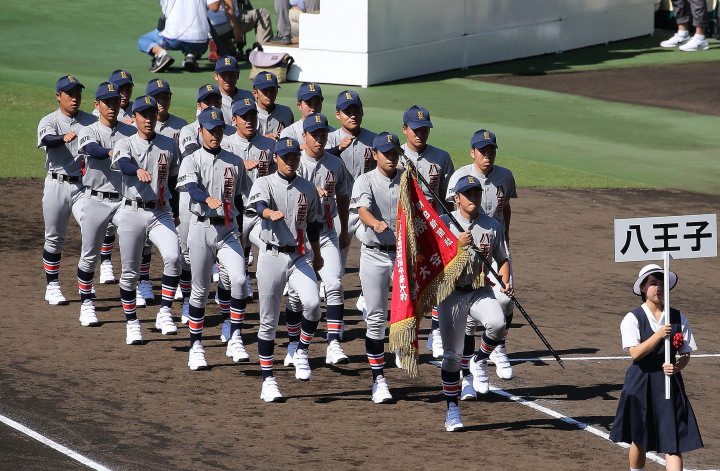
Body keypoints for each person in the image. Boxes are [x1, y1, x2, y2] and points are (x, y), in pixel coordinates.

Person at [247, 137, 323, 402]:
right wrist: (268, 213)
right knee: (268, 321)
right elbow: (258, 206)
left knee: (313, 304)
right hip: (271, 256)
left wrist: (318, 254)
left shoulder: (308, 188)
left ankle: (301, 350)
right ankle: (268, 380)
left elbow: (313, 224)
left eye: (294, 157)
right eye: (286, 157)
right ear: (276, 158)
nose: (291, 161)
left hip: (300, 256)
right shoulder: (264, 182)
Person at [436, 175, 513, 431]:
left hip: (479, 290)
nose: (473, 198)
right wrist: (456, 246)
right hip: (450, 294)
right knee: (451, 357)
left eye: (476, 193)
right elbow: (433, 261)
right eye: (467, 194)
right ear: (456, 199)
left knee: (498, 324)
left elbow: (503, 258)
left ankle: (479, 359)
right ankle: (452, 409)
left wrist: (504, 282)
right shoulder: (443, 224)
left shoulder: (492, 225)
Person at [610, 264, 703, 471]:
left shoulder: (678, 318)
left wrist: (677, 368)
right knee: (638, 438)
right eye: (653, 283)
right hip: (640, 382)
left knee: (672, 441)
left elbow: (686, 354)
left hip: (668, 384)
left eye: (662, 284)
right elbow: (635, 353)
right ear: (643, 288)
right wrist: (659, 335)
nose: (658, 288)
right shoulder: (632, 318)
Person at [445, 130, 517, 395]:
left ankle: (491, 351)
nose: (487, 155)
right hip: (457, 269)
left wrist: (504, 236)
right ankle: (466, 378)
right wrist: (456, 242)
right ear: (472, 152)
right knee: (462, 331)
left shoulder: (504, 177)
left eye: (491, 150)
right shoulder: (459, 179)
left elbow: (505, 207)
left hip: (490, 248)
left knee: (504, 304)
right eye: (482, 151)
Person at [178, 106, 250, 370]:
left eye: (219, 129)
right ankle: (196, 346)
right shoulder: (192, 159)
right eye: (210, 130)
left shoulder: (235, 162)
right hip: (201, 228)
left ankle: (235, 337)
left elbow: (242, 198)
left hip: (228, 231)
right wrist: (206, 198)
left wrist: (246, 232)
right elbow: (191, 188)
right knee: (200, 289)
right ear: (201, 131)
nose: (215, 134)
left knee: (239, 279)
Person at [112, 96, 182, 345]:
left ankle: (165, 312)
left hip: (161, 212)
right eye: (143, 115)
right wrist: (137, 170)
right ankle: (132, 323)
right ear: (135, 117)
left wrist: (176, 212)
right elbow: (122, 164)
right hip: (132, 212)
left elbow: (173, 179)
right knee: (129, 272)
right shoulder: (125, 142)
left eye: (152, 114)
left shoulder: (169, 144)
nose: (149, 119)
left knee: (174, 257)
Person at [284, 113, 352, 366]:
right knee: (295, 295)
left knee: (334, 284)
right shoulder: (295, 162)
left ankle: (333, 343)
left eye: (323, 134)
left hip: (326, 232)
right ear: (305, 136)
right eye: (314, 134)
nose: (320, 138)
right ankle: (293, 344)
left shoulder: (335, 163)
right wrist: (312, 191)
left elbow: (343, 197)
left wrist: (344, 230)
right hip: (299, 236)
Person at [75, 82, 136, 326]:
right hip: (95, 200)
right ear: (97, 104)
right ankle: (86, 303)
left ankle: (138, 290)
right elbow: (92, 150)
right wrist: (113, 152)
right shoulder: (88, 130)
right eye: (107, 102)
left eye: (115, 101)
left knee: (137, 244)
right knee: (89, 255)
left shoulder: (130, 131)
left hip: (123, 202)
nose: (112, 106)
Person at [351, 131, 403, 403]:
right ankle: (378, 380)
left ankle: (404, 350)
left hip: (402, 256)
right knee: (376, 320)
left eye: (394, 152)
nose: (391, 157)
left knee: (407, 311)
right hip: (374, 255)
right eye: (386, 153)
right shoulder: (366, 180)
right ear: (375, 154)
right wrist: (375, 223)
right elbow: (363, 210)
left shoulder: (407, 179)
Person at [176, 84, 235, 324]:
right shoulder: (190, 130)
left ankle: (223, 299)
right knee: (187, 256)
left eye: (216, 101)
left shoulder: (228, 133)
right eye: (207, 102)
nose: (212, 105)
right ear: (199, 105)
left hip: (223, 204)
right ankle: (187, 301)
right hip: (190, 199)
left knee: (227, 264)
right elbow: (194, 153)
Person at [400, 105, 454, 360]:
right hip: (404, 232)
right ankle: (406, 338)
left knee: (439, 281)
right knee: (407, 287)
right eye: (416, 129)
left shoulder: (441, 157)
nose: (420, 134)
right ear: (405, 129)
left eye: (425, 129)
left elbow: (448, 199)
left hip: (433, 232)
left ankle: (436, 333)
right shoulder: (394, 156)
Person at [38, 75, 97, 306]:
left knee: (92, 229)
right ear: (58, 96)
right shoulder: (49, 120)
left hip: (83, 186)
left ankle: (86, 280)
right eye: (70, 94)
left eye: (78, 93)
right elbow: (47, 139)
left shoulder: (90, 120)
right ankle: (52, 285)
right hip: (56, 184)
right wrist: (63, 137)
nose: (75, 98)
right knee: (54, 238)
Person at [222, 97, 275, 308]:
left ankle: (260, 285)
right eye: (244, 117)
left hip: (259, 213)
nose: (249, 120)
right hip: (235, 212)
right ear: (234, 120)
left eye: (252, 115)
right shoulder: (225, 145)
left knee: (269, 248)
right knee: (233, 260)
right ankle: (227, 292)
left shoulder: (269, 145)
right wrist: (239, 164)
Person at [137, 0, 221, 73]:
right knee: (202, 36)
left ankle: (161, 54)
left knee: (144, 40)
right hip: (199, 42)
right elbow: (214, 7)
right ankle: (191, 56)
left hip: (173, 38)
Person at [208, 0, 273, 56]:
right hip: (223, 26)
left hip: (208, 30)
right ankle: (262, 51)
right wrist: (236, 30)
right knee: (262, 13)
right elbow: (228, 5)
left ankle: (224, 46)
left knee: (230, 53)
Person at [279, 82, 334, 146]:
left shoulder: (332, 133)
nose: (313, 108)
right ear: (299, 105)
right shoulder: (289, 133)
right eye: (309, 104)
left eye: (317, 103)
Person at [252, 71, 294, 140]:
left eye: (273, 90)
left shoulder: (286, 112)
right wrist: (262, 139)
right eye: (265, 90)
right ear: (255, 93)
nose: (269, 94)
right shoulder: (247, 113)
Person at [214, 55, 253, 126]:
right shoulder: (210, 100)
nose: (228, 79)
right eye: (223, 75)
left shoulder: (249, 96)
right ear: (216, 76)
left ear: (238, 75)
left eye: (231, 74)